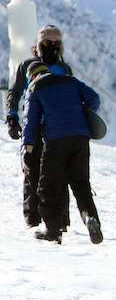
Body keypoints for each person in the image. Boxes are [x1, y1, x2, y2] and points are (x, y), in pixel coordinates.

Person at [22, 58, 102, 245]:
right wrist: (81, 112)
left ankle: (53, 230)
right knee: (81, 184)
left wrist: (28, 147)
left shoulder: (35, 87)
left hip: (56, 140)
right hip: (81, 138)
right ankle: (90, 218)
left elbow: (30, 121)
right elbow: (94, 98)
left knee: (48, 185)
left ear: (32, 76)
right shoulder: (70, 81)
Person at [7, 25, 73, 229]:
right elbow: (14, 92)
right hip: (34, 128)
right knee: (32, 171)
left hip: (58, 129)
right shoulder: (27, 66)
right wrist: (12, 117)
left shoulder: (64, 69)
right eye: (47, 42)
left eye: (56, 42)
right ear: (38, 44)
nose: (51, 46)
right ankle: (33, 219)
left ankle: (61, 220)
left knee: (60, 174)